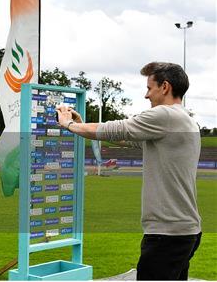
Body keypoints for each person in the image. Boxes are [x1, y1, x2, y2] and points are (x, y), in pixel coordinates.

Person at [56, 62, 201, 281]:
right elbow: (125, 137)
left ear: (165, 87)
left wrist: (68, 124)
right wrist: (82, 126)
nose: (146, 95)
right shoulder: (186, 119)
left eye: (149, 88)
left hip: (167, 233)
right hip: (184, 231)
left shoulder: (166, 115)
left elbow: (116, 129)